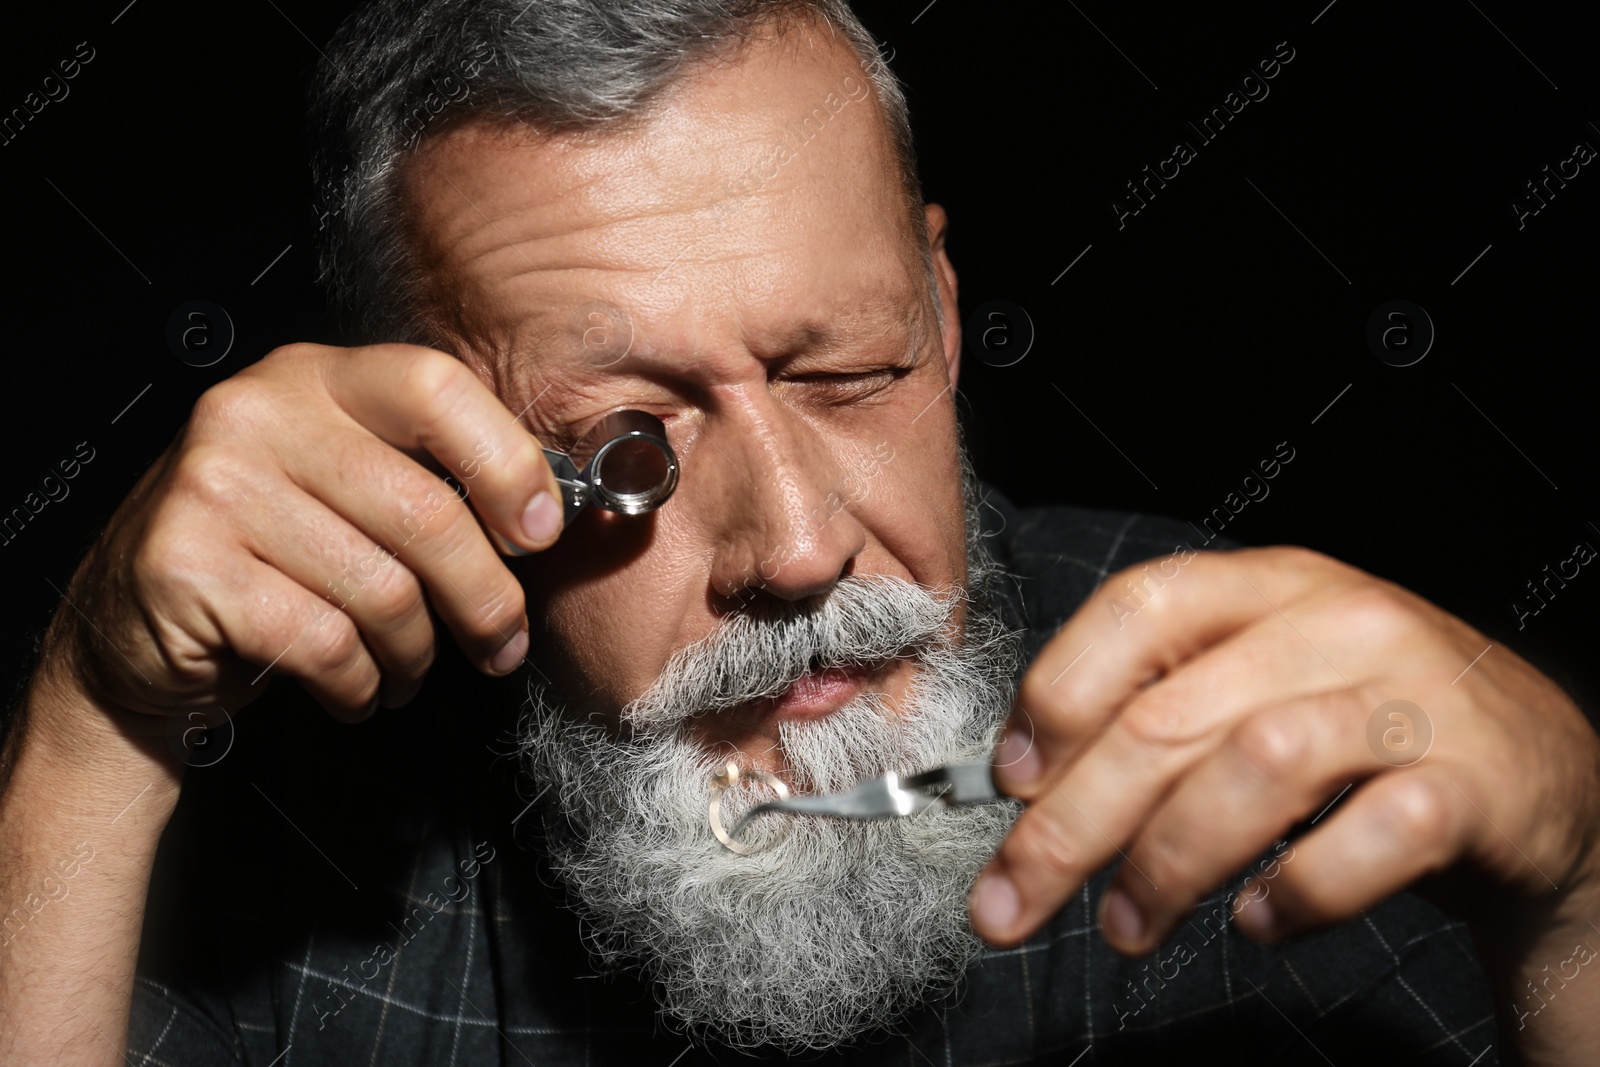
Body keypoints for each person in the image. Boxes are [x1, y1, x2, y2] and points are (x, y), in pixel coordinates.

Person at [3, 1, 1597, 1063]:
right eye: (627, 444)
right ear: (419, 454)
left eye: (848, 371)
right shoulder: (277, 867)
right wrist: (96, 731)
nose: (798, 544)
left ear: (948, 315)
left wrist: (1580, 906)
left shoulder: (1276, 741)